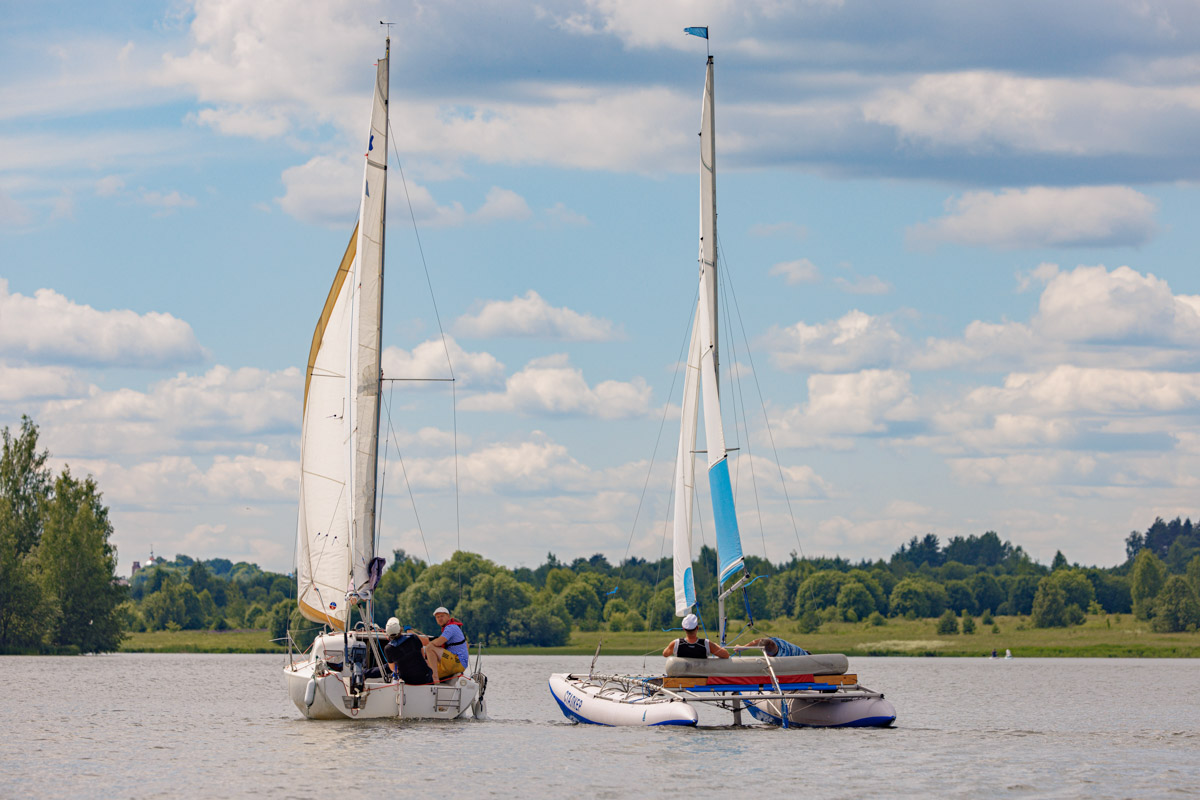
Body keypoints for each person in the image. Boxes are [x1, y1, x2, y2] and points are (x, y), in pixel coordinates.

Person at [418, 606, 469, 682]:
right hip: (453, 662)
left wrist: (428, 647)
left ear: (448, 616)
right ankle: (433, 681)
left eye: (442, 616)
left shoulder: (451, 627)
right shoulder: (449, 628)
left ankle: (435, 678)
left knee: (430, 648)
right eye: (437, 617)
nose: (439, 619)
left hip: (457, 661)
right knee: (425, 673)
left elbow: (438, 642)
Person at [382, 617, 434, 685]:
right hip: (425, 677)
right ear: (400, 629)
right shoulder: (413, 638)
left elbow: (393, 669)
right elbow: (423, 656)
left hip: (408, 681)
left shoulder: (388, 649)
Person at [662, 613, 729, 659]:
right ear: (697, 628)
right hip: (702, 678)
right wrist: (715, 645)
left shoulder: (676, 643)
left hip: (682, 678)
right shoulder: (706, 644)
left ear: (683, 628)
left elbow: (665, 654)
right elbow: (726, 655)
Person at [735, 636, 810, 657]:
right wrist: (743, 647)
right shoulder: (776, 641)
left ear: (767, 654)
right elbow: (759, 641)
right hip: (805, 653)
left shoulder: (782, 658)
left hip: (807, 660)